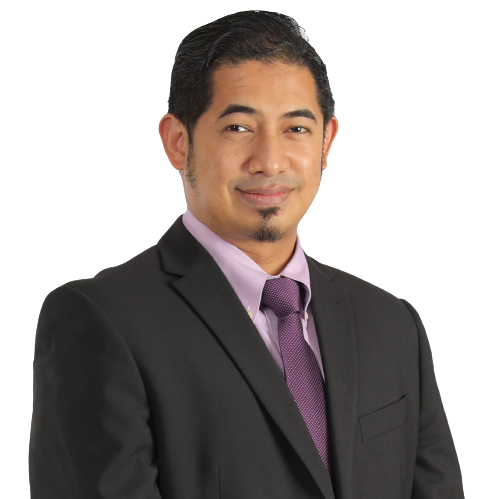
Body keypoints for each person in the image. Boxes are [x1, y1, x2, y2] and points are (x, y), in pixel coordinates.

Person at [29, 10, 463, 499]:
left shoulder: (392, 323)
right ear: (178, 142)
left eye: (296, 128)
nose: (270, 162)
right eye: (238, 127)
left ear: (327, 142)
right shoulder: (102, 321)